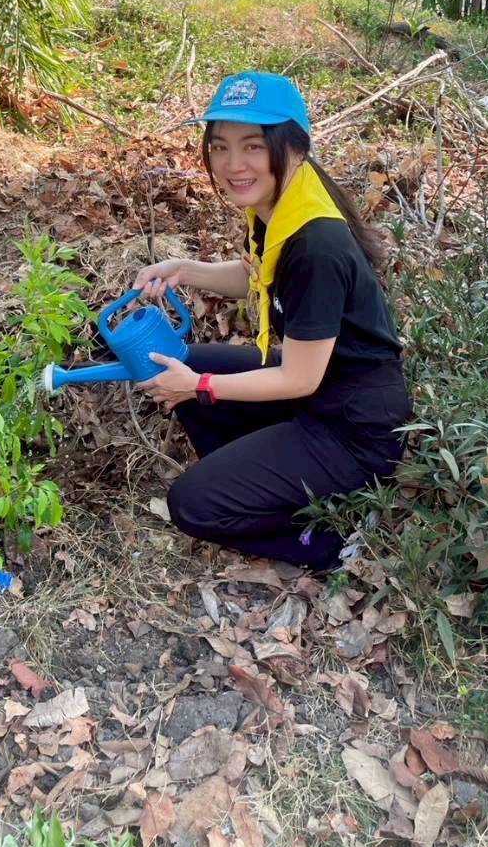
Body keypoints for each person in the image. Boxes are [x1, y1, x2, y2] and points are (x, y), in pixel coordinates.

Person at [134, 71, 410, 572]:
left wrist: (200, 386)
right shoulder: (282, 205)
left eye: (253, 146)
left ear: (294, 148)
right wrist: (185, 270)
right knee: (184, 362)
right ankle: (260, 484)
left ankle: (326, 541)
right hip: (317, 395)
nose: (232, 165)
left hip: (353, 430)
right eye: (219, 147)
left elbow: (298, 376)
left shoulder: (316, 243)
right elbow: (257, 276)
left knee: (192, 504)